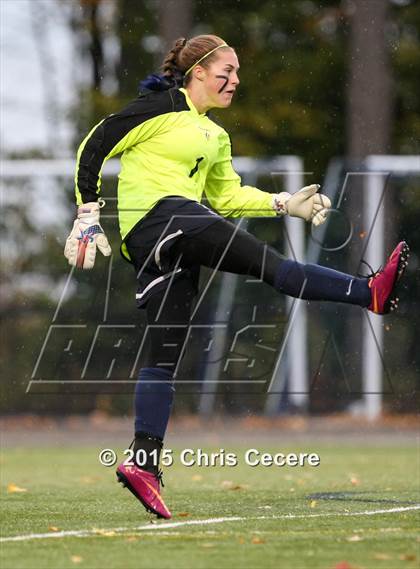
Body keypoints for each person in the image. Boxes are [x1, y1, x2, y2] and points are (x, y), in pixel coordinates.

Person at [64, 35, 409, 519]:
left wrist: (282, 203)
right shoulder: (159, 105)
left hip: (164, 240)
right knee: (271, 267)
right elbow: (94, 143)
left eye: (238, 71)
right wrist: (87, 212)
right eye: (227, 68)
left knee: (164, 355)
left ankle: (143, 462)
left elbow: (226, 197)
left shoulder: (216, 135)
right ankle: (368, 292)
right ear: (199, 71)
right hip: (163, 220)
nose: (236, 79)